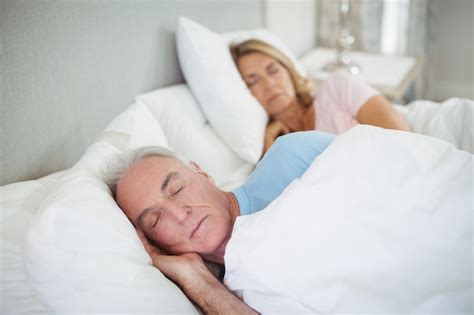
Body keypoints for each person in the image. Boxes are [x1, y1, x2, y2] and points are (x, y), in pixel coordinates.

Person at [106, 131, 335, 314]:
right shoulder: (214, 296)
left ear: (202, 172)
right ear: (154, 243)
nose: (179, 214)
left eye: (178, 189)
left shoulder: (293, 157)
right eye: (156, 220)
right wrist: (197, 281)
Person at [230, 39, 410, 153]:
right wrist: (270, 148)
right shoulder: (274, 145)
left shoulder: (338, 87)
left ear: (289, 71)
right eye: (252, 81)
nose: (269, 84)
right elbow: (276, 199)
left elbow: (402, 139)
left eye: (273, 70)